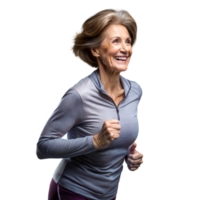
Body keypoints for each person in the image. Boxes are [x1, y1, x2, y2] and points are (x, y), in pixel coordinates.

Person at [34, 7, 145, 200]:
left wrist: (129, 158)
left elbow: (116, 143)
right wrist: (95, 141)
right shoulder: (79, 95)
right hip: (72, 191)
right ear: (95, 49)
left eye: (128, 41)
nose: (126, 49)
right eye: (116, 41)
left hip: (109, 195)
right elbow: (42, 148)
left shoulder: (135, 91)